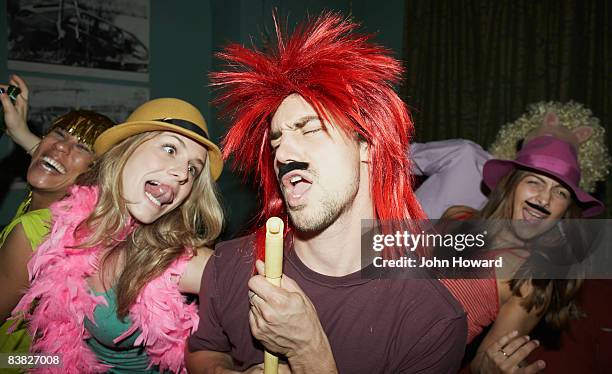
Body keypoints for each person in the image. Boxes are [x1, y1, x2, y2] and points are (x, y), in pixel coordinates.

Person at [186, 12, 466, 373]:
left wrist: (308, 351)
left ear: (367, 145)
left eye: (309, 130)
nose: (283, 154)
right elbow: (205, 351)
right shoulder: (230, 263)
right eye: (276, 141)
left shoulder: (430, 320)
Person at [9, 98, 224, 373]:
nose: (183, 174)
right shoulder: (59, 224)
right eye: (170, 149)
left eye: (193, 169)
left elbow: (252, 280)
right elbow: (57, 169)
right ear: (125, 151)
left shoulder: (173, 260)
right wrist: (10, 363)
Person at [438, 134, 604, 374]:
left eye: (560, 193)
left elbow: (482, 365)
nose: (544, 198)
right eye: (535, 182)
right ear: (511, 185)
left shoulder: (531, 280)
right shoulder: (457, 217)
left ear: (565, 212)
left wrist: (489, 368)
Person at [1, 75, 117, 358]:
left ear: (95, 175)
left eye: (83, 147)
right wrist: (21, 132)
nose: (61, 147)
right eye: (60, 134)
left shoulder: (30, 233)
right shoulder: (70, 218)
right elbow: (52, 156)